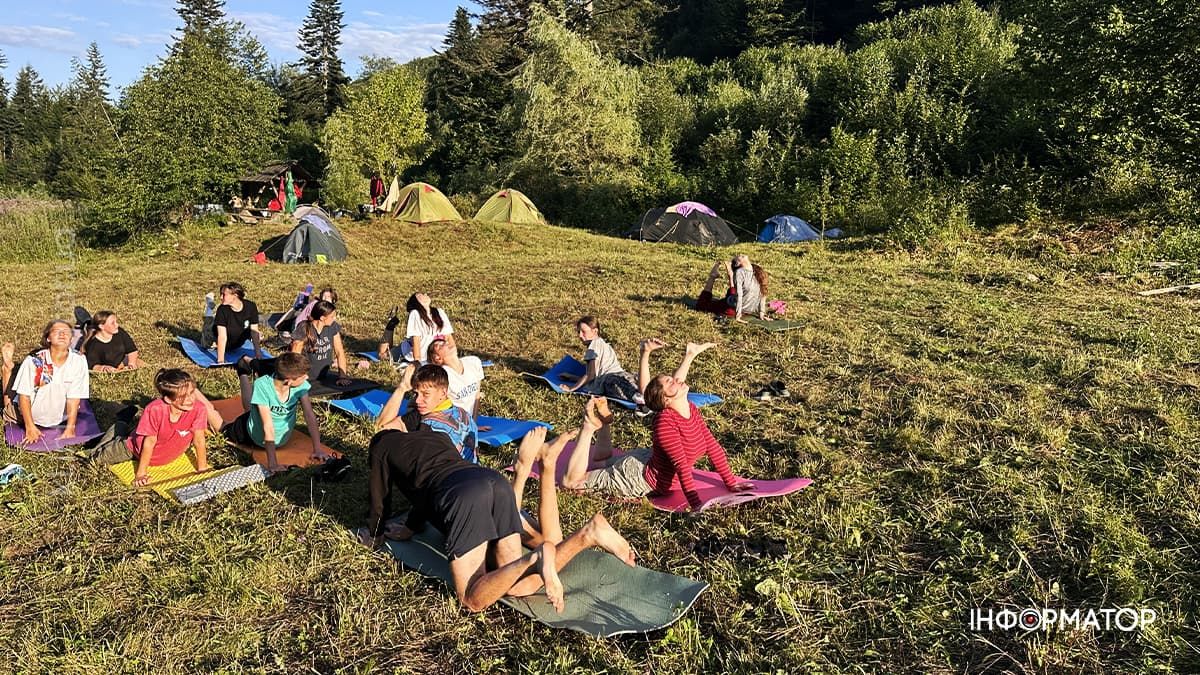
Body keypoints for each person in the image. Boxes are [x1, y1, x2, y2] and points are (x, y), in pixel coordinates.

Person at [360, 422, 636, 613]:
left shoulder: (381, 447)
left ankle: (537, 556)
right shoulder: (435, 436)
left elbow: (378, 496)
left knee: (472, 598)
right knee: (515, 584)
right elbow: (426, 487)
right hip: (492, 481)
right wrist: (411, 526)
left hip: (465, 497)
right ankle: (585, 535)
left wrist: (374, 534)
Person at [559, 340, 754, 511]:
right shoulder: (665, 423)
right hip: (637, 477)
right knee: (572, 483)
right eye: (670, 382)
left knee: (602, 463)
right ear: (665, 400)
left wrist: (731, 483)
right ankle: (588, 426)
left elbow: (713, 447)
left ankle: (604, 424)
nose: (677, 379)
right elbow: (682, 466)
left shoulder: (691, 409)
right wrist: (695, 504)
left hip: (647, 458)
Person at [90, 369, 213, 486]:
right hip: (135, 449)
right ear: (168, 399)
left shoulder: (199, 409)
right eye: (182, 397)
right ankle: (120, 424)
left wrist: (202, 468)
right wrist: (141, 474)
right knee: (95, 459)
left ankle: (128, 425)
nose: (190, 400)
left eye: (191, 393)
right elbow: (149, 442)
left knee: (140, 431)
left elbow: (199, 439)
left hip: (164, 452)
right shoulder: (155, 410)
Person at [223, 352, 328, 473]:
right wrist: (273, 464)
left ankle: (244, 366)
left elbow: (309, 415)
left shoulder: (300, 386)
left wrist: (318, 449)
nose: (307, 378)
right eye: (303, 376)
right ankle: (242, 372)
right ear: (288, 382)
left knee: (250, 409)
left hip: (278, 438)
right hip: (252, 436)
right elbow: (268, 426)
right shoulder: (262, 385)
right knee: (222, 427)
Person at [1, 320, 90, 446]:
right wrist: (30, 427)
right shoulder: (34, 361)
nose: (62, 334)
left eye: (66, 332)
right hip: (24, 413)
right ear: (48, 338)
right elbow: (24, 396)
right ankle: (7, 370)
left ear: (71, 339)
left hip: (58, 418)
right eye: (57, 331)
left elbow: (74, 397)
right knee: (8, 408)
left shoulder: (79, 361)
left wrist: (70, 428)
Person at [377, 364, 476, 462]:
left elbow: (382, 431)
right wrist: (402, 387)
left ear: (443, 393)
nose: (417, 400)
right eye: (416, 394)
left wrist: (401, 389)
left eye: (426, 394)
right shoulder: (465, 415)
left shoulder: (429, 426)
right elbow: (382, 426)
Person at [564, 316, 642, 404]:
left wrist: (572, 388)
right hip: (623, 375)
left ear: (595, 331)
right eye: (578, 332)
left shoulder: (593, 346)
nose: (580, 335)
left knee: (634, 396)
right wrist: (573, 378)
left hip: (611, 380)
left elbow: (590, 375)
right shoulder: (603, 344)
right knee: (638, 387)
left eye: (583, 332)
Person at [377, 293, 455, 365]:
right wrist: (418, 363)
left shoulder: (439, 312)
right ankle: (390, 325)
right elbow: (416, 341)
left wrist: (454, 357)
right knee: (382, 355)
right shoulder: (415, 314)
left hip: (431, 356)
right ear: (416, 302)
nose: (425, 294)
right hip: (407, 353)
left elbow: (448, 337)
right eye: (420, 294)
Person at [290, 300, 353, 385]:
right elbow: (294, 357)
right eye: (332, 316)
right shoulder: (304, 328)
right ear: (322, 318)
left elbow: (339, 352)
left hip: (323, 375)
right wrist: (297, 378)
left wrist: (342, 376)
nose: (334, 318)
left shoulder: (332, 326)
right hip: (304, 376)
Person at [693, 255, 768, 322]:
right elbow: (739, 295)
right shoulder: (744, 272)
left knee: (703, 304)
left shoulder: (756, 270)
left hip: (736, 306)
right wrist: (738, 315)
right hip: (734, 306)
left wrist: (762, 313)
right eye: (740, 257)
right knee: (703, 305)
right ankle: (717, 275)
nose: (741, 255)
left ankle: (723, 275)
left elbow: (763, 292)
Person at [203, 282, 263, 364]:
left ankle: (214, 316)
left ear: (235, 296)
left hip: (235, 339)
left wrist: (258, 354)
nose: (221, 297)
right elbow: (222, 336)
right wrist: (220, 360)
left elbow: (254, 331)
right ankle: (209, 308)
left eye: (224, 295)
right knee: (206, 343)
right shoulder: (222, 309)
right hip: (215, 336)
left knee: (259, 335)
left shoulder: (251, 307)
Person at [79, 311, 145, 372]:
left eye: (116, 322)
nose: (117, 325)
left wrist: (131, 363)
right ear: (101, 326)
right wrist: (104, 368)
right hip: (108, 368)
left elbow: (132, 350)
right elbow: (93, 366)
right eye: (113, 323)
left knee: (143, 366)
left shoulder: (120, 332)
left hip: (122, 362)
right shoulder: (93, 345)